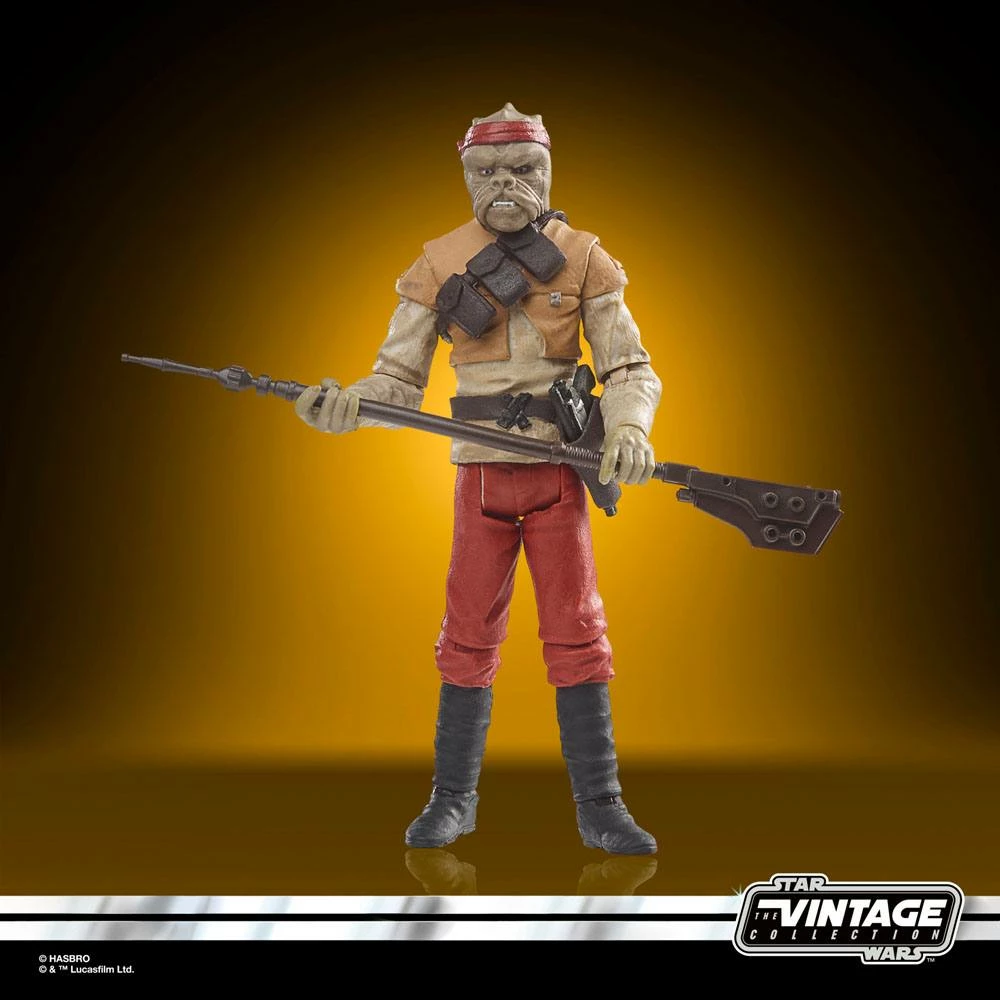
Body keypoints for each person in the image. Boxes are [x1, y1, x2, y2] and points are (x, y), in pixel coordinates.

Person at [295, 104, 661, 855]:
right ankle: (453, 799)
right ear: (465, 177)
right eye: (487, 171)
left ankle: (601, 806)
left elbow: (628, 365)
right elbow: (397, 381)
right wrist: (348, 406)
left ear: (548, 174)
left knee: (578, 634)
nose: (506, 184)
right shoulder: (438, 263)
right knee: (465, 637)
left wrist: (629, 428)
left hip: (560, 472)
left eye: (524, 170)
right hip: (481, 481)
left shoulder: (585, 257)